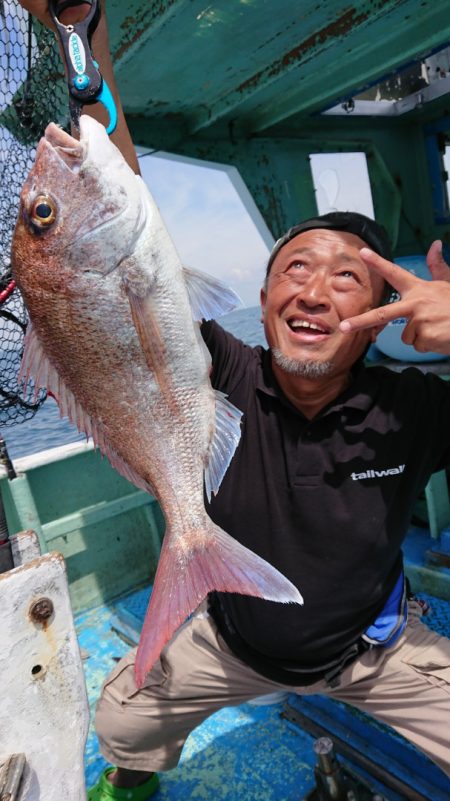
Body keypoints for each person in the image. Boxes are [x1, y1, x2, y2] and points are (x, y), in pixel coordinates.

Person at [17, 2, 450, 798]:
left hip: (374, 650)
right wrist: (82, 40)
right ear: (261, 294)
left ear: (379, 312)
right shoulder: (221, 365)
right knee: (120, 727)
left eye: (346, 276)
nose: (315, 290)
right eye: (295, 270)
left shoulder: (415, 407)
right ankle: (140, 773)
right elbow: (123, 240)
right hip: (232, 644)